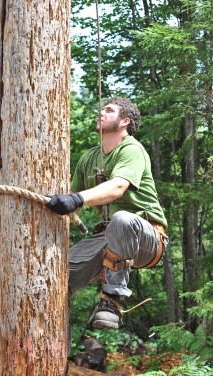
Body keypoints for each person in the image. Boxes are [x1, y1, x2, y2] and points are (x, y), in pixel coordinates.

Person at [47, 96, 168, 329]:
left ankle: (111, 299)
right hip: (109, 237)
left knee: (122, 220)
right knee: (58, 274)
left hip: (148, 238)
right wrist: (63, 201)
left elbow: (117, 187)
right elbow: (73, 200)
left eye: (109, 110)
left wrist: (76, 198)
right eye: (101, 108)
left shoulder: (132, 149)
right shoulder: (89, 158)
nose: (101, 112)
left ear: (124, 121)